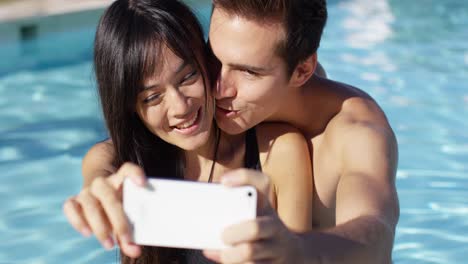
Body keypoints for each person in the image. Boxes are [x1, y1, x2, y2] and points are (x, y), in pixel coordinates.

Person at [62, 0, 313, 263]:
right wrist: (96, 187)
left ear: (207, 61)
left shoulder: (280, 153)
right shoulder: (131, 162)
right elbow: (100, 167)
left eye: (187, 77)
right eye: (152, 97)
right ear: (131, 109)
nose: (180, 107)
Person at [200, 0, 400, 263]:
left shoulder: (356, 134)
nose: (218, 89)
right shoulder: (243, 84)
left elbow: (377, 235)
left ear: (302, 71)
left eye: (248, 72)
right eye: (213, 58)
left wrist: (298, 250)